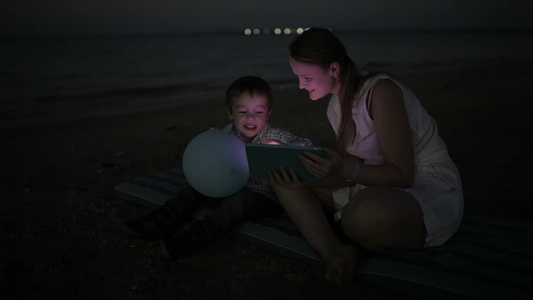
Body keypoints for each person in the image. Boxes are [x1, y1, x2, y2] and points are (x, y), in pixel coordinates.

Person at [268, 28, 463, 287]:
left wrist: (343, 167)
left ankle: (356, 231)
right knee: (284, 178)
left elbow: (403, 175)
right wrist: (313, 172)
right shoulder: (335, 107)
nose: (301, 85)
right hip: (374, 185)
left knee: (362, 216)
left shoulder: (380, 91)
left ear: (334, 69)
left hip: (423, 185)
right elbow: (353, 174)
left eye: (306, 77)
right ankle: (334, 252)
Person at [121, 75, 312, 260]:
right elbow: (211, 145)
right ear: (230, 112)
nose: (250, 118)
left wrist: (281, 148)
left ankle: (194, 238)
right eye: (243, 111)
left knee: (237, 204)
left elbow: (306, 146)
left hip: (263, 196)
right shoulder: (227, 135)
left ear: (268, 113)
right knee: (194, 190)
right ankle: (161, 222)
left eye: (258, 112)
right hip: (227, 186)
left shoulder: (275, 136)